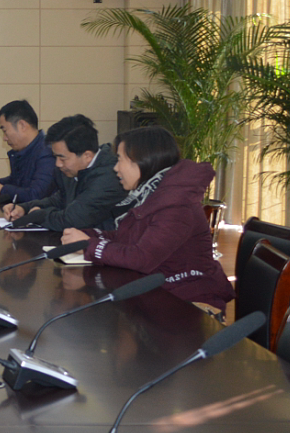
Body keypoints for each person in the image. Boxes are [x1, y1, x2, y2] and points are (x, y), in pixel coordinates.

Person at [61, 126, 234, 311]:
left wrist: (89, 245)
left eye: (120, 159)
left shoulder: (176, 206)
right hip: (162, 293)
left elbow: (142, 258)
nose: (116, 168)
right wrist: (89, 235)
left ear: (142, 161)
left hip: (189, 303)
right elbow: (127, 238)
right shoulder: (153, 195)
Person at [3, 115, 128, 232]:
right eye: (55, 157)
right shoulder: (73, 169)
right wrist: (24, 208)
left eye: (62, 158)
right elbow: (60, 200)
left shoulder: (110, 175)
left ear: (87, 156)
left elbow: (72, 220)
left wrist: (39, 216)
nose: (58, 164)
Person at [0, 99, 55, 204]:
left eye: (5, 131)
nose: (4, 138)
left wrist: (2, 190)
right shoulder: (25, 150)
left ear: (22, 125)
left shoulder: (47, 152)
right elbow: (15, 182)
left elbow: (36, 195)